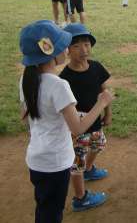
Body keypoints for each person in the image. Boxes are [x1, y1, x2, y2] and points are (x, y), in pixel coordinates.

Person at [19, 20, 113, 223]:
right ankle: (81, 198)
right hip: (55, 163)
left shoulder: (27, 80)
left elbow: (29, 117)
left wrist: (71, 116)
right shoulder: (59, 85)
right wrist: (102, 103)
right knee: (52, 214)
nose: (66, 48)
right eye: (64, 44)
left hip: (37, 159)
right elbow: (78, 130)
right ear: (49, 51)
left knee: (45, 206)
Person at [60, 23, 111, 211]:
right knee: (77, 162)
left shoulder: (96, 67)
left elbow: (104, 92)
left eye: (87, 44)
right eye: (76, 45)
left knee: (99, 144)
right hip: (77, 128)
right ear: (66, 50)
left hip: (96, 123)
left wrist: (108, 113)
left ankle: (89, 169)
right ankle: (80, 198)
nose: (84, 49)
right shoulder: (65, 78)